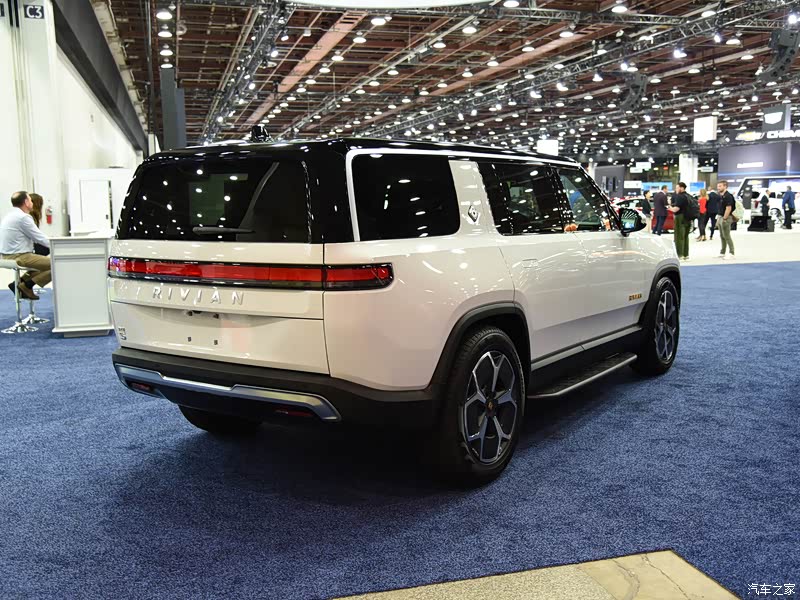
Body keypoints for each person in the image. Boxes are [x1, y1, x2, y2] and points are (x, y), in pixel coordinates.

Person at [0, 191, 51, 300]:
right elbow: (40, 238)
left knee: (43, 264)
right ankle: (27, 286)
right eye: (30, 200)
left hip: (6, 255)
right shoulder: (23, 217)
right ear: (26, 202)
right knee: (56, 264)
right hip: (19, 256)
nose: (32, 202)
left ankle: (20, 282)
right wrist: (57, 246)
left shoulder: (10, 215)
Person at [670, 182, 691, 261]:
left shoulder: (680, 196)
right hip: (688, 217)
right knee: (685, 236)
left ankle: (680, 255)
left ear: (682, 188)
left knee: (679, 236)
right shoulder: (688, 196)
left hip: (680, 217)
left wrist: (669, 208)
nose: (676, 189)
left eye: (677, 187)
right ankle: (686, 254)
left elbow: (676, 209)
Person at [716, 180, 736, 260]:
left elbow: (728, 208)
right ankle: (722, 252)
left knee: (727, 236)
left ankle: (732, 252)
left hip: (726, 217)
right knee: (722, 236)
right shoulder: (721, 196)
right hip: (720, 216)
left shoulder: (728, 196)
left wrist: (724, 218)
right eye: (718, 186)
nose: (718, 188)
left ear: (725, 186)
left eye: (720, 186)